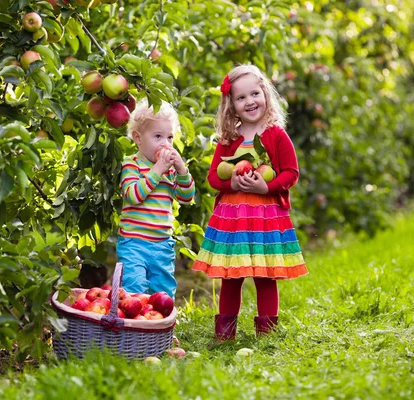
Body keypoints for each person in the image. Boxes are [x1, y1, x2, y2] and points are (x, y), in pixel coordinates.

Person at [192, 64, 308, 340]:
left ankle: (266, 334)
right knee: (231, 277)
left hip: (265, 218)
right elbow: (213, 176)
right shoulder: (229, 139)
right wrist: (231, 182)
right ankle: (224, 334)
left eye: (254, 93)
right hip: (233, 220)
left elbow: (291, 173)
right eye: (241, 97)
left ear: (265, 94)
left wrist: (266, 186)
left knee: (265, 277)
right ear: (231, 104)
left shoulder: (275, 135)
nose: (249, 101)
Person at [117, 100, 195, 298]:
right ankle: (134, 328)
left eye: (169, 137)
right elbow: (133, 195)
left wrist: (181, 170)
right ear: (138, 138)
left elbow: (186, 197)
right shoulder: (131, 165)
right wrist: (157, 170)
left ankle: (160, 328)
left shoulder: (169, 170)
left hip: (162, 244)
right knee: (133, 289)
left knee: (163, 293)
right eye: (158, 136)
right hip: (134, 243)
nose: (165, 144)